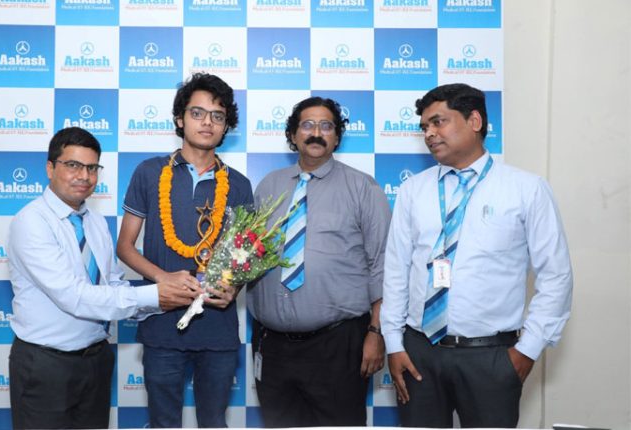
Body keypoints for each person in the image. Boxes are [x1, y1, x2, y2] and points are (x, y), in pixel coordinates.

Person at [381, 83, 573, 428]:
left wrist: (526, 351)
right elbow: (396, 270)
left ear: (474, 121)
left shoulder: (526, 189)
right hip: (419, 353)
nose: (429, 133)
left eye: (438, 122)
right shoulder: (413, 190)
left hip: (491, 357)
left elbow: (556, 276)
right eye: (425, 126)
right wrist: (394, 344)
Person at [8, 127, 200, 429]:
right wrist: (156, 293)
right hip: (46, 365)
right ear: (50, 168)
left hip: (96, 361)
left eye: (92, 167)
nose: (84, 176)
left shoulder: (95, 222)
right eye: (73, 165)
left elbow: (112, 285)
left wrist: (167, 298)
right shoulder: (31, 222)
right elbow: (75, 296)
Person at [116, 73, 253, 428]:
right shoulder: (149, 173)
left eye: (218, 116)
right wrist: (162, 279)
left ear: (226, 126)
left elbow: (246, 255)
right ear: (180, 119)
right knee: (163, 423)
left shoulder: (239, 185)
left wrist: (234, 289)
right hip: (163, 324)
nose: (207, 122)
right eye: (197, 113)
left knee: (214, 423)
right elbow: (124, 247)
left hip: (218, 328)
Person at [247, 96, 391, 427]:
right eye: (307, 125)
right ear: (293, 135)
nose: (316, 133)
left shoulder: (363, 188)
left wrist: (376, 331)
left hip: (337, 345)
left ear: (337, 137)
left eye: (326, 126)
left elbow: (382, 264)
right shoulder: (269, 186)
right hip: (272, 345)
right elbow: (249, 255)